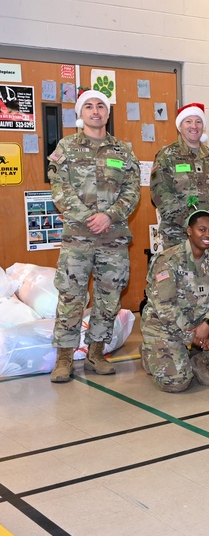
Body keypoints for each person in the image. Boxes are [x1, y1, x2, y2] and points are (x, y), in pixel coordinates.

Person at [48, 89, 140, 383]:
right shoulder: (67, 146)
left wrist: (108, 216)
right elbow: (59, 189)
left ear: (108, 113)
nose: (96, 111)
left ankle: (96, 354)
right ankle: (64, 358)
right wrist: (89, 217)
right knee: (71, 296)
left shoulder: (123, 150)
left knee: (109, 298)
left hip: (112, 237)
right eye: (89, 106)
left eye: (101, 106)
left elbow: (132, 191)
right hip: (77, 237)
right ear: (81, 113)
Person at [141, 208, 209, 392]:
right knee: (176, 384)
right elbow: (165, 308)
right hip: (165, 325)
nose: (208, 234)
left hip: (199, 321)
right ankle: (149, 352)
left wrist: (207, 323)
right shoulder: (168, 260)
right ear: (189, 231)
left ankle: (199, 360)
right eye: (202, 229)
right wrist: (193, 337)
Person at [151, 103, 209, 250]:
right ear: (180, 127)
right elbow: (160, 193)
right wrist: (190, 221)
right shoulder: (166, 156)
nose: (194, 126)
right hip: (177, 235)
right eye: (188, 121)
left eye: (198, 121)